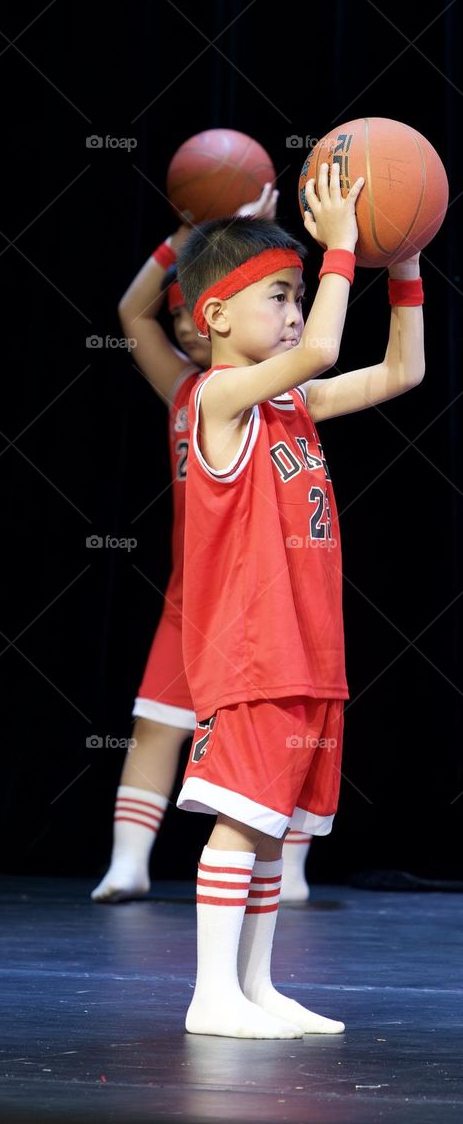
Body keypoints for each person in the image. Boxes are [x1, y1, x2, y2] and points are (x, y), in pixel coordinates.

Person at [176, 162, 424, 1038]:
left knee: (282, 833)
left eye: (296, 295)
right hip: (249, 652)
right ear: (214, 316)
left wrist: (404, 263)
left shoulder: (291, 408)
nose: (292, 313)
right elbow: (318, 347)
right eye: (277, 295)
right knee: (242, 826)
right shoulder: (216, 398)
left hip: (310, 650)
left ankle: (256, 986)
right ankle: (211, 995)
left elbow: (403, 371)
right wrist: (341, 249)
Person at [92, 184, 314, 904]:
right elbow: (130, 309)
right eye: (181, 311)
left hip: (257, 600)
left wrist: (250, 235)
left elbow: (268, 290)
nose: (186, 323)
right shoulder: (187, 391)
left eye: (198, 309)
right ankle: (128, 862)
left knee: (283, 737)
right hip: (192, 598)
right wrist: (183, 236)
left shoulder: (269, 394)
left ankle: (292, 867)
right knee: (156, 725)